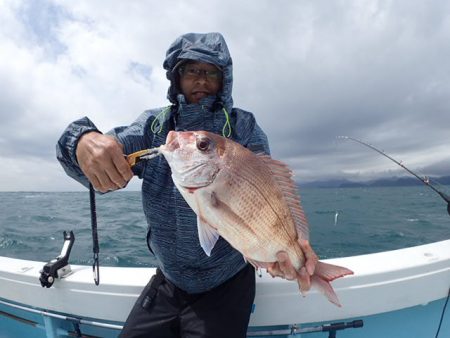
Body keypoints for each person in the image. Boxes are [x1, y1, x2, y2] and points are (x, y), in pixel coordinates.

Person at [57, 32, 318, 338]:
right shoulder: (155, 126)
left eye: (211, 72)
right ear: (176, 77)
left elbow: (269, 193)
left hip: (227, 282)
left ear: (225, 80)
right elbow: (102, 157)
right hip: (169, 281)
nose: (202, 80)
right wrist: (82, 141)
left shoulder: (243, 127)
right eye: (192, 70)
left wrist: (284, 249)